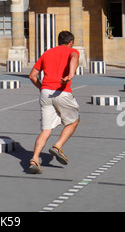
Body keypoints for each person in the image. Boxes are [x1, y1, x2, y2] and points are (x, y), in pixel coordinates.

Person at [28, 30, 80, 174]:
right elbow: (74, 57)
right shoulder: (72, 50)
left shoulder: (47, 53)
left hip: (45, 93)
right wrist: (70, 74)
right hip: (62, 91)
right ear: (71, 42)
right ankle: (57, 146)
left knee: (46, 130)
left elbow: (32, 76)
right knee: (73, 122)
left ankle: (34, 159)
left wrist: (42, 88)